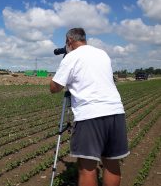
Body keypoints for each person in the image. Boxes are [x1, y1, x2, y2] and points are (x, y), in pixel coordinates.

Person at [50, 28, 130, 186]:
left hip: (90, 114)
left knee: (87, 168)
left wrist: (66, 59)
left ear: (69, 41)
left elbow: (55, 88)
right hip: (116, 112)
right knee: (112, 164)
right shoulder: (102, 54)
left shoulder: (72, 57)